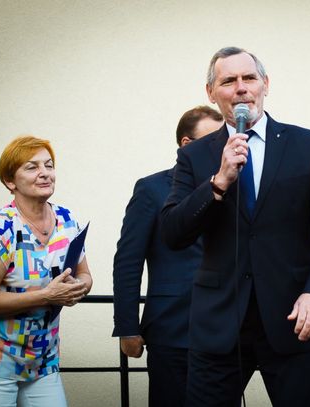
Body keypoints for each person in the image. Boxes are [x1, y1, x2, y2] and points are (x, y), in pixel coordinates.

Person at [161, 46, 310, 407]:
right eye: (228, 81)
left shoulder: (308, 146)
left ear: (265, 84)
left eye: (249, 78)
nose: (241, 88)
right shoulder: (194, 156)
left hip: (294, 318)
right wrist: (218, 182)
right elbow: (173, 232)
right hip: (219, 324)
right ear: (211, 93)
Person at [112, 105, 223, 407]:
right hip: (172, 327)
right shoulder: (151, 189)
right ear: (187, 144)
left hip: (224, 330)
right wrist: (127, 327)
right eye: (214, 140)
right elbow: (128, 261)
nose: (222, 147)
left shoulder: (233, 186)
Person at [0, 135, 92, 406]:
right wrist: (47, 296)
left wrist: (77, 288)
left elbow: (85, 275)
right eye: (32, 167)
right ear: (10, 181)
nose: (44, 173)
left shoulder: (66, 219)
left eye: (49, 165)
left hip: (44, 361)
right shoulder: (1, 226)